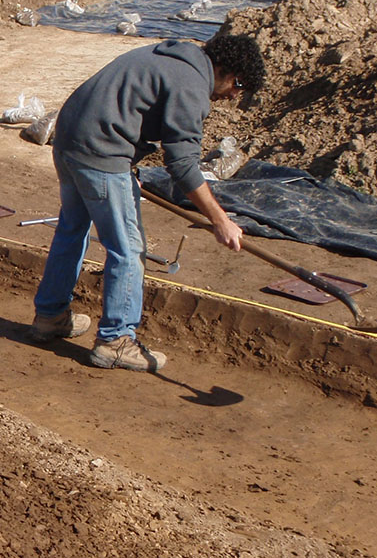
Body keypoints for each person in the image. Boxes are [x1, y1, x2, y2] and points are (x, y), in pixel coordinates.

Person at [27, 33, 266, 372]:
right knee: (128, 248)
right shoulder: (191, 86)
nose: (233, 95)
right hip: (100, 150)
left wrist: (130, 163)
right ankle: (115, 341)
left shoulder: (170, 57)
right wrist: (219, 219)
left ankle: (50, 317)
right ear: (224, 68)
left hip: (70, 139)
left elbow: (127, 106)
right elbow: (182, 165)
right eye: (237, 85)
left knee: (72, 229)